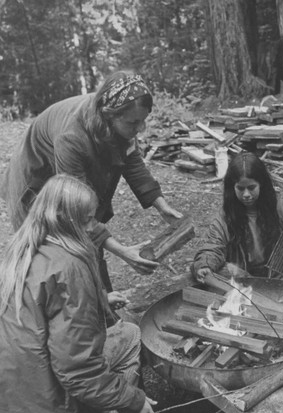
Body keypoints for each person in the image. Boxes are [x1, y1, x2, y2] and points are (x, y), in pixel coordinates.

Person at [0, 175, 158, 413]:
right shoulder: (70, 267)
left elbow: (43, 310)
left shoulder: (26, 247)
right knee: (131, 333)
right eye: (86, 220)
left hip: (15, 393)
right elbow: (76, 368)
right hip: (51, 406)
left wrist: (99, 300)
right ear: (64, 219)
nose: (92, 227)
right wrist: (133, 401)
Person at [0, 70, 182, 291]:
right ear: (109, 114)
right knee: (51, 255)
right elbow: (75, 210)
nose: (140, 129)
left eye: (143, 121)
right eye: (134, 122)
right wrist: (123, 251)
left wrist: (161, 205)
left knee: (89, 242)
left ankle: (103, 305)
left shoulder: (115, 120)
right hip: (36, 182)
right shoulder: (72, 137)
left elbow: (132, 161)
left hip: (70, 178)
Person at [192, 152, 283, 281]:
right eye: (240, 188)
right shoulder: (226, 216)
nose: (246, 194)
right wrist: (205, 264)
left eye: (251, 188)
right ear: (232, 188)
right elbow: (213, 245)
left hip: (276, 279)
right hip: (242, 280)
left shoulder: (279, 210)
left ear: (261, 184)